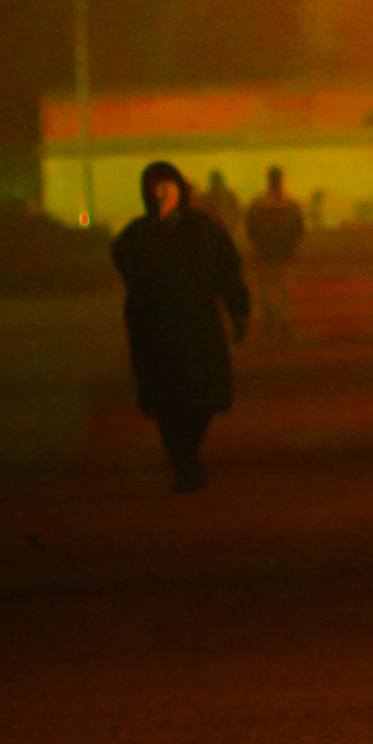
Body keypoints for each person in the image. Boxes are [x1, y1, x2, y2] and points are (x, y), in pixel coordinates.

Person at [112, 152, 253, 494]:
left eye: (167, 187)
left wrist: (238, 311)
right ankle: (183, 463)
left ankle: (186, 456)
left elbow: (227, 272)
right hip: (155, 329)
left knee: (201, 397)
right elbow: (126, 266)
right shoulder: (137, 235)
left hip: (196, 324)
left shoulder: (204, 231)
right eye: (155, 189)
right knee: (167, 400)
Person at [242, 163, 309, 340]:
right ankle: (283, 323)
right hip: (283, 253)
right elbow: (299, 229)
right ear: (281, 180)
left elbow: (250, 228)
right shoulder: (290, 204)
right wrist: (291, 247)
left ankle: (269, 322)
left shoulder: (258, 203)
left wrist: (257, 244)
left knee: (265, 289)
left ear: (268, 180)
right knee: (283, 289)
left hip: (264, 252)